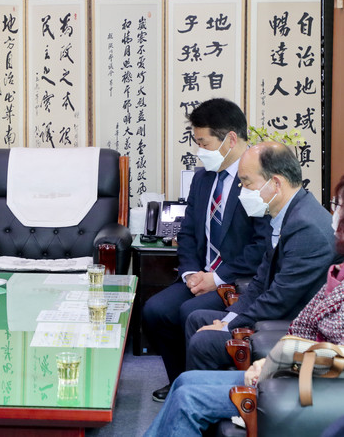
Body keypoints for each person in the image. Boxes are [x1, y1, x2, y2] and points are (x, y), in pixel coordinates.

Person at [145, 174, 344, 436]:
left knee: (187, 397)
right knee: (183, 381)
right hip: (292, 364)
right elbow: (302, 322)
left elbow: (336, 356)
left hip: (309, 387)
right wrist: (271, 359)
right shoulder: (336, 269)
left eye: (339, 205)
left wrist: (279, 364)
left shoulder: (307, 227)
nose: (333, 213)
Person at [142, 98, 270, 401]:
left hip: (238, 280)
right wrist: (189, 273)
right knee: (154, 310)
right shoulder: (202, 178)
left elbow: (261, 246)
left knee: (189, 311)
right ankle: (180, 380)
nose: (200, 151)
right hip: (200, 275)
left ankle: (196, 388)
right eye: (197, 143)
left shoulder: (258, 180)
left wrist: (217, 278)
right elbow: (187, 231)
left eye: (204, 143)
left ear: (231, 139)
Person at [184, 141, 338, 372]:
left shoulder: (307, 228)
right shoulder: (285, 214)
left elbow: (279, 299)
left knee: (204, 341)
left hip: (293, 327)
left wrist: (228, 327)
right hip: (276, 313)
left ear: (275, 183)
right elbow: (260, 282)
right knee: (196, 318)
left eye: (247, 183)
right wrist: (228, 319)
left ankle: (213, 390)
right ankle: (196, 386)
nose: (242, 191)